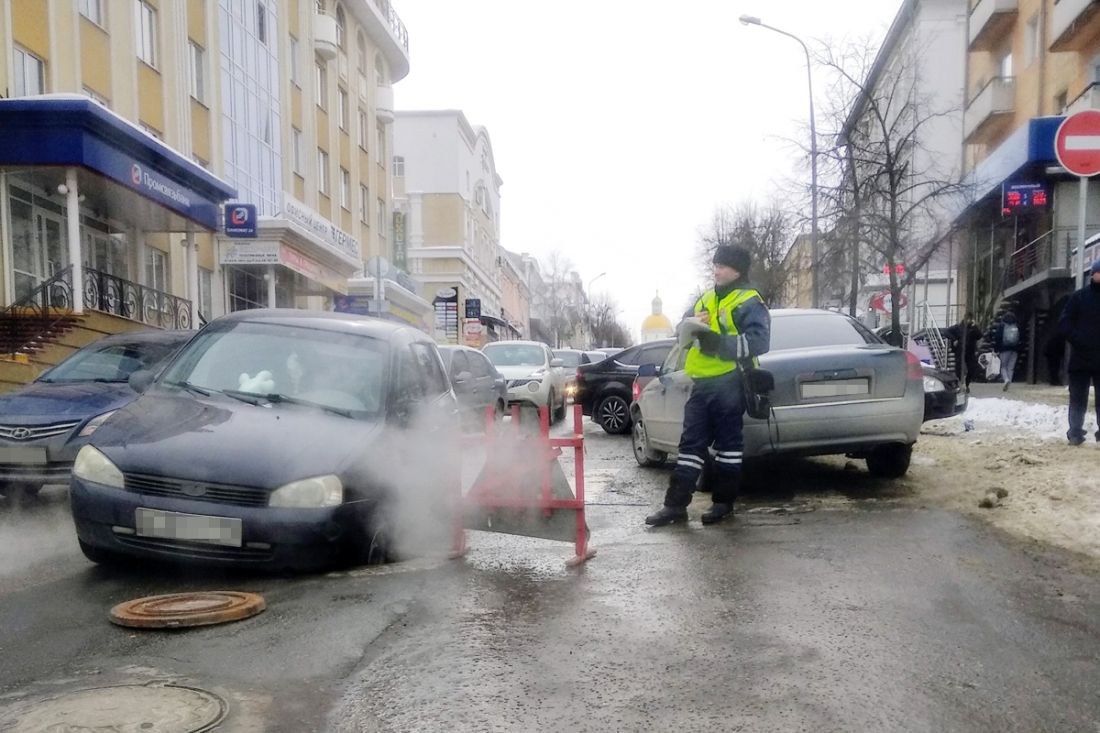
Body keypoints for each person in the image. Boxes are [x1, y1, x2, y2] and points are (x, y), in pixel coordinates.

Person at [645, 244, 771, 527]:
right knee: (689, 446)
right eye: (715, 264)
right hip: (701, 384)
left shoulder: (750, 300)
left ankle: (723, 503)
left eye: (722, 265)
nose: (716, 269)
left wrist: (718, 344)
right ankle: (675, 506)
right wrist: (687, 327)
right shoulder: (706, 298)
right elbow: (682, 329)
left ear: (737, 270)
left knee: (728, 447)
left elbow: (760, 342)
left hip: (731, 382)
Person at [1059, 259, 1100, 445]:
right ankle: (1075, 432)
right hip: (1080, 357)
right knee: (1077, 397)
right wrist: (1078, 339)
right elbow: (1064, 323)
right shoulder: (1079, 297)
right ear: (1093, 274)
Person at [945, 312, 982, 390]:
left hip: (970, 352)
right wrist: (954, 339)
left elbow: (979, 335)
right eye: (968, 319)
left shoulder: (973, 328)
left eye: (970, 319)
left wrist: (975, 327)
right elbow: (946, 332)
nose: (969, 321)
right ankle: (960, 384)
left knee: (972, 368)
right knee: (959, 368)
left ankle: (967, 383)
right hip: (960, 351)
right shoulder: (958, 327)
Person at [992, 312, 1020, 391]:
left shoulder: (1002, 326)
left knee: (1003, 366)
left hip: (1004, 349)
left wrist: (996, 349)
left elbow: (998, 338)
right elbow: (1021, 337)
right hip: (1014, 349)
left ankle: (1006, 380)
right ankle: (1009, 383)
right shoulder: (1016, 325)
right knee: (1011, 368)